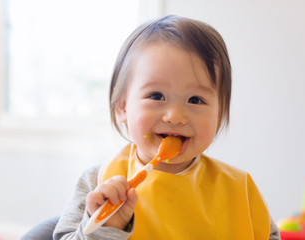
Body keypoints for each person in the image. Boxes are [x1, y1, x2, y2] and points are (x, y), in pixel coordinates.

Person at [53, 15, 280, 240]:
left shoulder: (240, 189)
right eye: (156, 96)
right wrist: (105, 228)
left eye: (195, 100)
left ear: (219, 113)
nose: (175, 116)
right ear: (122, 106)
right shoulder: (99, 183)